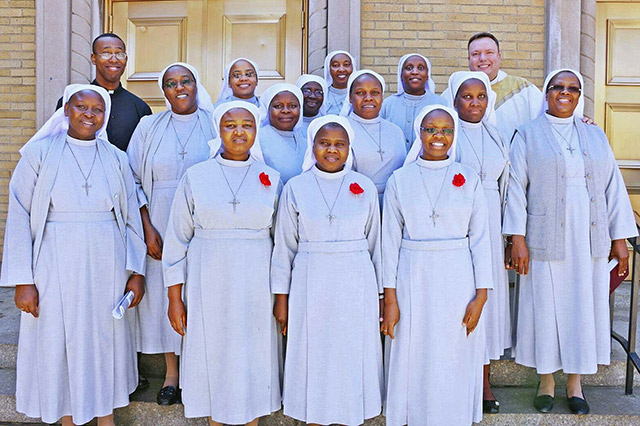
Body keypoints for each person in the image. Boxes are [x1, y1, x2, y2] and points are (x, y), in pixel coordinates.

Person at [2, 84, 147, 425]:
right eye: (81, 107)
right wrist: (23, 280)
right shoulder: (39, 154)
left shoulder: (116, 158)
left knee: (104, 340)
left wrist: (136, 271)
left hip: (107, 263)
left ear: (105, 116)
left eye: (97, 110)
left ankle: (105, 416)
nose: (89, 115)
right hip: (54, 262)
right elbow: (20, 215)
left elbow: (129, 219)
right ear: (66, 110)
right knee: (59, 340)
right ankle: (69, 417)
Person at [503, 69, 637, 415]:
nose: (565, 93)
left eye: (572, 89)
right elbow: (516, 188)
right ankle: (546, 380)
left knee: (582, 306)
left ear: (579, 95)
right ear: (546, 93)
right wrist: (516, 237)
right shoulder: (528, 134)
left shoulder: (595, 135)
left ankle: (575, 383)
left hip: (588, 236)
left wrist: (619, 238)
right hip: (544, 236)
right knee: (545, 307)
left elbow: (612, 187)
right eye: (557, 87)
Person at [162, 101, 282, 425]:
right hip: (208, 283)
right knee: (213, 357)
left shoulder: (271, 178)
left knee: (252, 361)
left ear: (256, 132)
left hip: (256, 287)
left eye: (247, 125)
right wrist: (175, 298)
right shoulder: (196, 176)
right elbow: (176, 241)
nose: (239, 131)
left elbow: (282, 243)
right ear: (219, 130)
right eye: (231, 125)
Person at [382, 105, 492, 426]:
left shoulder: (468, 178)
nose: (438, 136)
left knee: (454, 352)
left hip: (459, 278)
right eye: (431, 129)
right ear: (420, 133)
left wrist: (482, 294)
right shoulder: (399, 180)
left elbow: (481, 238)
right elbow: (389, 242)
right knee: (415, 352)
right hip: (412, 276)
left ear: (454, 135)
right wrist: (390, 299)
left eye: (446, 130)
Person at [271, 114, 383, 425]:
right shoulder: (296, 187)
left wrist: (382, 295)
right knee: (314, 355)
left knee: (350, 353)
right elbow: (284, 247)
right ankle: (314, 418)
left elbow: (376, 245)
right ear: (313, 145)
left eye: (339, 144)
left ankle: (351, 416)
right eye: (324, 143)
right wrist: (282, 298)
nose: (331, 150)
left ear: (349, 148)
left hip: (355, 281)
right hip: (311, 281)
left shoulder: (365, 187)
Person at [127, 62, 215, 405]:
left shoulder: (214, 121)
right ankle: (171, 374)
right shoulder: (149, 126)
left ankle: (199, 372)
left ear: (197, 85)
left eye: (186, 81)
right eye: (171, 83)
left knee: (199, 295)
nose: (179, 88)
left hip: (203, 222)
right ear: (163, 91)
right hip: (160, 223)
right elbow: (131, 177)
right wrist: (147, 227)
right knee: (168, 295)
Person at [445, 71, 510, 414]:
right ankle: (460, 378)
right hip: (460, 228)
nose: (474, 103)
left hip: (492, 227)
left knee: (489, 304)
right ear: (454, 100)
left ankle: (485, 380)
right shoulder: (446, 136)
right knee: (462, 301)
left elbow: (508, 186)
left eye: (481, 96)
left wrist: (511, 236)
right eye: (467, 97)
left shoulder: (496, 135)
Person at [56, 33, 152, 151]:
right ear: (93, 58)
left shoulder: (140, 108)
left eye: (119, 54)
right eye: (106, 53)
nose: (113, 59)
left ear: (126, 60)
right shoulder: (72, 102)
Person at [340, 70, 406, 205]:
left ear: (382, 97)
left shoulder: (395, 131)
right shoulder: (341, 130)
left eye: (375, 93)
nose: (368, 98)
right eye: (360, 93)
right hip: (356, 203)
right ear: (350, 97)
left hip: (394, 203)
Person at [381, 53, 445, 149]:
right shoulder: (387, 104)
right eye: (409, 68)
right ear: (401, 75)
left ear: (428, 75)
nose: (415, 72)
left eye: (421, 68)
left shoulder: (441, 104)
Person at [259, 83, 307, 184]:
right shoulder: (258, 139)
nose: (286, 111)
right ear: (268, 109)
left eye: (292, 106)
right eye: (278, 106)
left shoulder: (305, 141)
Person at [323, 50, 357, 114]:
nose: (341, 69)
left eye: (346, 65)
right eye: (335, 65)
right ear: (328, 69)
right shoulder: (322, 95)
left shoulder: (360, 93)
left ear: (353, 67)